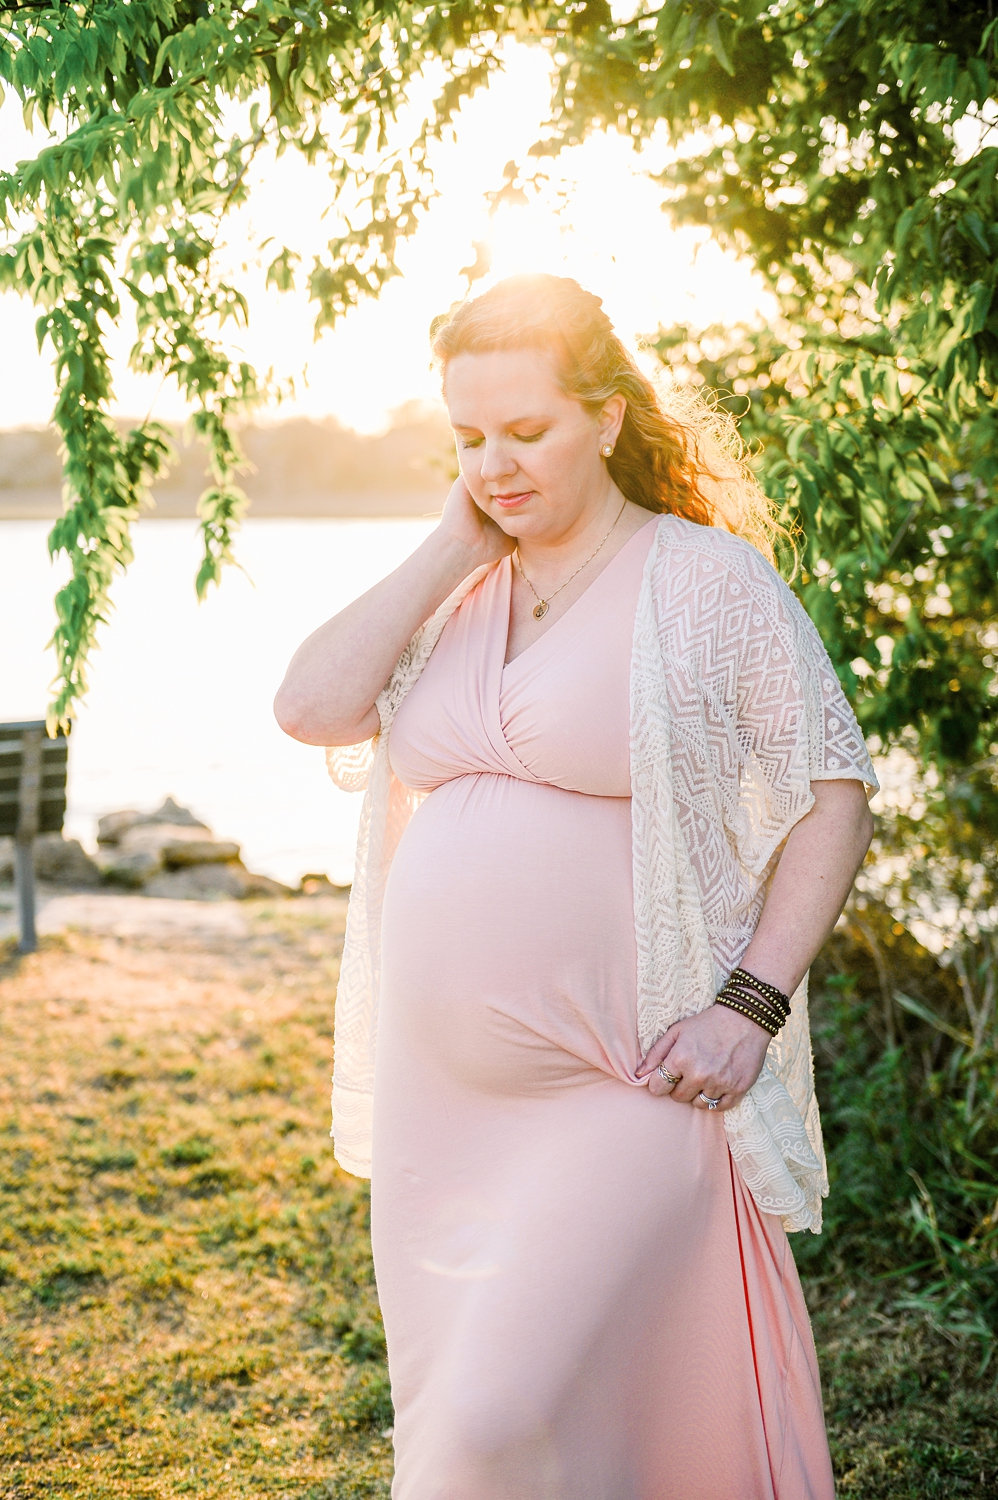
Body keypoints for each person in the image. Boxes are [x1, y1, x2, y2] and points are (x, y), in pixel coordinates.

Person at [274, 274, 879, 1499]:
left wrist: (747, 1005)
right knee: (496, 1423)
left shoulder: (704, 583)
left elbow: (833, 788)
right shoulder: (457, 587)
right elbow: (310, 706)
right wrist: (455, 534)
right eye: (466, 437)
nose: (495, 462)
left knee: (489, 1421)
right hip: (445, 1108)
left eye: (526, 430)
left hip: (626, 1073)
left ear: (605, 418)